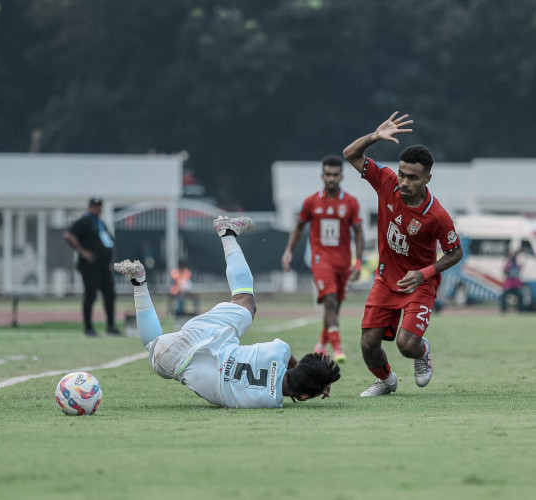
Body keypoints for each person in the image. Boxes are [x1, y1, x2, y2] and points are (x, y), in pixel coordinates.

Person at [113, 215, 341, 408]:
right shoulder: (268, 401)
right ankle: (139, 282)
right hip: (181, 361)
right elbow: (289, 384)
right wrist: (312, 383)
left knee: (245, 302)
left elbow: (288, 357)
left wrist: (313, 371)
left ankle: (227, 234)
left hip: (210, 335)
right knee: (154, 344)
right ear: (302, 397)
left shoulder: (279, 350)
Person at [343, 111, 463, 397]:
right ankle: (386, 381)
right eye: (402, 174)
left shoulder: (437, 216)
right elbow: (350, 154)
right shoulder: (386, 182)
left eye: (412, 177)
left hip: (419, 284)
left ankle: (423, 351)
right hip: (386, 280)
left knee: (406, 345)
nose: (404, 182)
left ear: (427, 179)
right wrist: (374, 137)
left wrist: (425, 273)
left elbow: (455, 252)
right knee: (368, 344)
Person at [281, 155, 364, 363]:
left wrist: (358, 261)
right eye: (328, 174)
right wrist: (289, 250)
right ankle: (337, 348)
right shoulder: (311, 202)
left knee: (335, 306)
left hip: (343, 261)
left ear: (341, 176)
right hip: (321, 259)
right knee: (329, 299)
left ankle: (321, 343)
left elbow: (359, 233)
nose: (331, 179)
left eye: (335, 175)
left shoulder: (351, 202)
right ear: (322, 175)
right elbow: (298, 228)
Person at [64, 197, 121, 337]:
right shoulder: (84, 221)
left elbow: (108, 241)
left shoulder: (100, 223)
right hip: (90, 266)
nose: (98, 209)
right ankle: (88, 327)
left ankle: (111, 326)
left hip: (104, 267)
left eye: (100, 206)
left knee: (110, 295)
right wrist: (82, 252)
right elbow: (68, 235)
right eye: (96, 206)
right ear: (90, 207)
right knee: (90, 295)